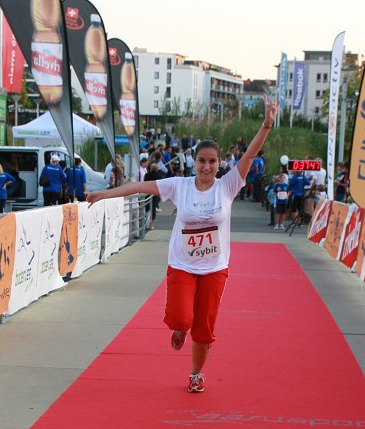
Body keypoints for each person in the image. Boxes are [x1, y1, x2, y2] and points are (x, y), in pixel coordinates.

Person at [87, 96, 278, 393]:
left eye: (212, 161)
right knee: (181, 317)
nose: (206, 166)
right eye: (202, 161)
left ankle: (195, 374)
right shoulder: (180, 186)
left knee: (204, 328)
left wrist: (266, 125)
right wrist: (105, 194)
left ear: (219, 163)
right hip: (182, 265)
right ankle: (180, 327)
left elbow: (249, 157)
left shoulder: (228, 186)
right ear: (195, 162)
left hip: (215, 267)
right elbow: (139, 186)